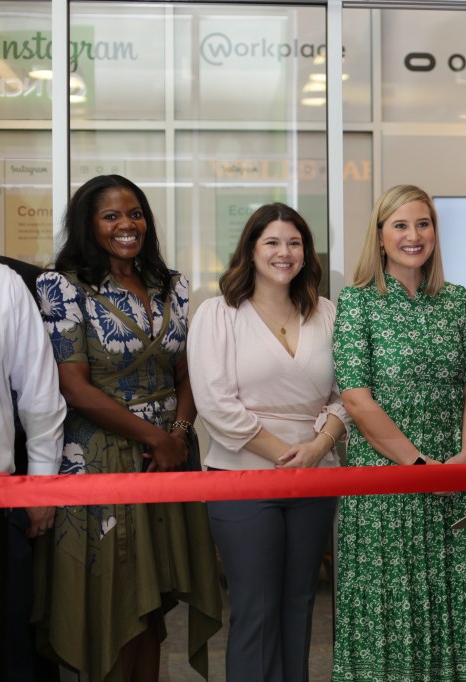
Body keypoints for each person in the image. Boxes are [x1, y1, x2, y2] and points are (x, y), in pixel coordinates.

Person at [33, 174, 222, 681]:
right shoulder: (61, 285)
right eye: (111, 215)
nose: (126, 224)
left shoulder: (173, 285)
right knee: (115, 600)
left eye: (134, 213)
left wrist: (178, 433)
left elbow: (187, 371)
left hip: (170, 459)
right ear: (88, 225)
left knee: (153, 600)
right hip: (102, 463)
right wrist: (155, 438)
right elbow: (73, 385)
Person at [332, 184, 466, 681]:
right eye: (400, 225)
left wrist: (465, 457)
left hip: (451, 479)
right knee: (388, 610)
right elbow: (357, 399)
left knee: (449, 601)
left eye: (423, 224)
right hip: (386, 490)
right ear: (380, 237)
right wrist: (419, 467)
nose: (413, 235)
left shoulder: (457, 300)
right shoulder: (358, 303)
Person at [189, 203, 349, 682]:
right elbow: (215, 405)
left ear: (307, 252)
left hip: (315, 477)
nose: (285, 252)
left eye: (295, 242)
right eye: (273, 242)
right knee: (257, 609)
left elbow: (347, 396)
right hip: (242, 476)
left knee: (300, 605)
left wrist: (318, 448)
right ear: (251, 250)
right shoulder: (218, 314)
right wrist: (287, 454)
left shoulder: (327, 312)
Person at [0, 258, 66, 682]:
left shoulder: (4, 285)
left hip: (1, 500)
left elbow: (39, 392)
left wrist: (41, 487)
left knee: (9, 651)